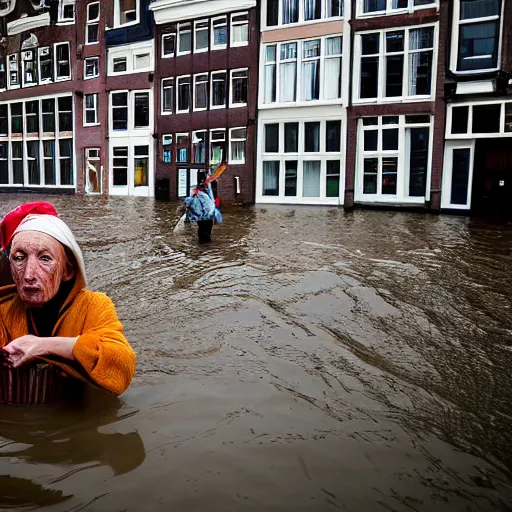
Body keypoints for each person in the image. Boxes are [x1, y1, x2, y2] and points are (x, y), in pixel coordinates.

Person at [0, 202, 136, 396]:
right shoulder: (4, 310)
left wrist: (43, 346)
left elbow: (122, 368)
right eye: (19, 258)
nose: (29, 274)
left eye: (45, 258)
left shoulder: (94, 306)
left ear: (67, 270)